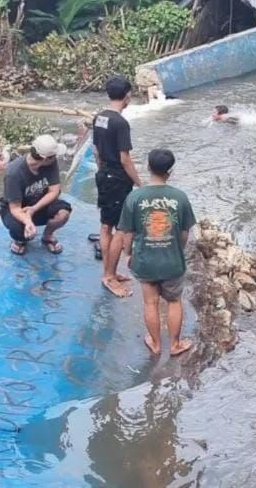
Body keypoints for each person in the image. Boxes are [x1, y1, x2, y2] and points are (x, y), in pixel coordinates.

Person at [117, 148, 196, 356]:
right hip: (172, 261)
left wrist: (128, 254)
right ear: (170, 172)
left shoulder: (134, 198)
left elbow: (127, 233)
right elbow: (185, 232)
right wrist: (177, 249)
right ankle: (175, 344)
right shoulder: (180, 197)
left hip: (145, 260)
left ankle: (155, 343)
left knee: (150, 302)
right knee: (174, 301)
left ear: (148, 167)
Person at [94, 75, 143, 296]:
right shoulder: (120, 123)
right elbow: (125, 159)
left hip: (104, 174)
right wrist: (139, 184)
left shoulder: (100, 117)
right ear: (127, 97)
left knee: (106, 226)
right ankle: (109, 276)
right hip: (118, 178)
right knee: (122, 229)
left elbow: (96, 151)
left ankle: (109, 271)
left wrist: (102, 170)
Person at [0, 135, 72, 255]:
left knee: (63, 213)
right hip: (17, 208)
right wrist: (28, 221)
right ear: (45, 158)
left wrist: (34, 209)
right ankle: (20, 240)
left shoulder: (50, 163)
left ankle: (47, 236)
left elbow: (54, 191)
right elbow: (15, 208)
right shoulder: (13, 173)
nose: (56, 158)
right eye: (54, 156)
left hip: (39, 203)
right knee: (18, 230)